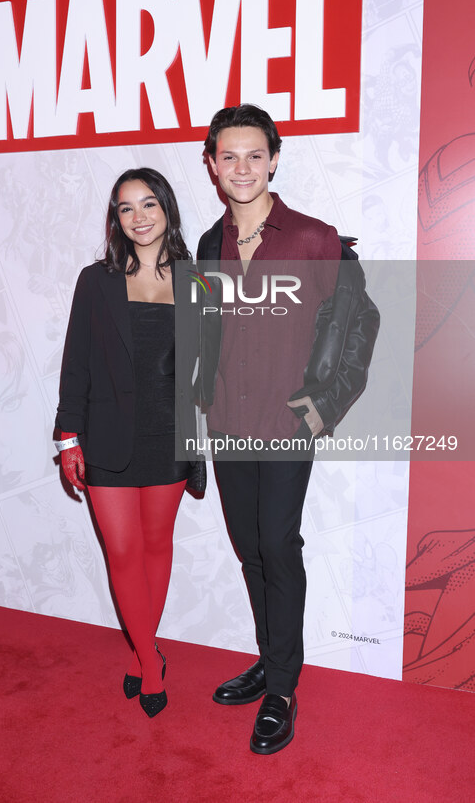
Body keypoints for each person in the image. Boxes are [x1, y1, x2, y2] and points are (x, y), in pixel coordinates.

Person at [197, 104, 379, 754]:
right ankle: (268, 659)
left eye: (254, 155)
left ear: (273, 159)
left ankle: (281, 687)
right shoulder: (208, 244)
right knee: (250, 548)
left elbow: (360, 326)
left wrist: (324, 406)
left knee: (278, 544)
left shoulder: (313, 238)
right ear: (211, 164)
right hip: (227, 423)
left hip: (283, 422)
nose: (241, 167)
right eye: (228, 155)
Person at [55, 167, 196, 718]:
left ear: (167, 210)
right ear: (115, 219)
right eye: (125, 208)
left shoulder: (196, 279)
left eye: (148, 205)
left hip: (169, 437)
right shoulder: (96, 280)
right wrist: (69, 438)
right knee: (123, 551)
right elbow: (76, 364)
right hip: (107, 436)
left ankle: (141, 654)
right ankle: (152, 659)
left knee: (156, 548)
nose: (138, 217)